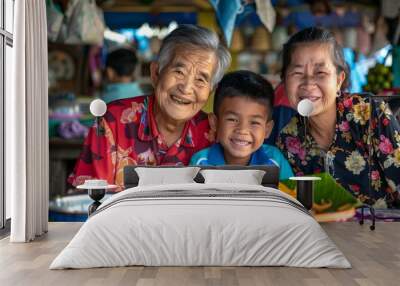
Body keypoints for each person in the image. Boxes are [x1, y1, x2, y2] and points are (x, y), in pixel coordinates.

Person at [68, 25, 231, 187]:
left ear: (210, 91)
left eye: (200, 80)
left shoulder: (213, 134)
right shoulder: (112, 122)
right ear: (155, 73)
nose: (186, 88)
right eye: (179, 72)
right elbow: (90, 200)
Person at [276, 27, 400, 208]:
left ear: (339, 80)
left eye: (321, 73)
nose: (308, 83)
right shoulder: (288, 139)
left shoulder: (369, 113)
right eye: (297, 73)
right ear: (284, 81)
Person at [190, 70, 294, 180]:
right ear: (215, 123)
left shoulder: (275, 161)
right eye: (233, 119)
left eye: (254, 122)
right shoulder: (200, 163)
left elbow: (290, 195)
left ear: (267, 129)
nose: (242, 130)